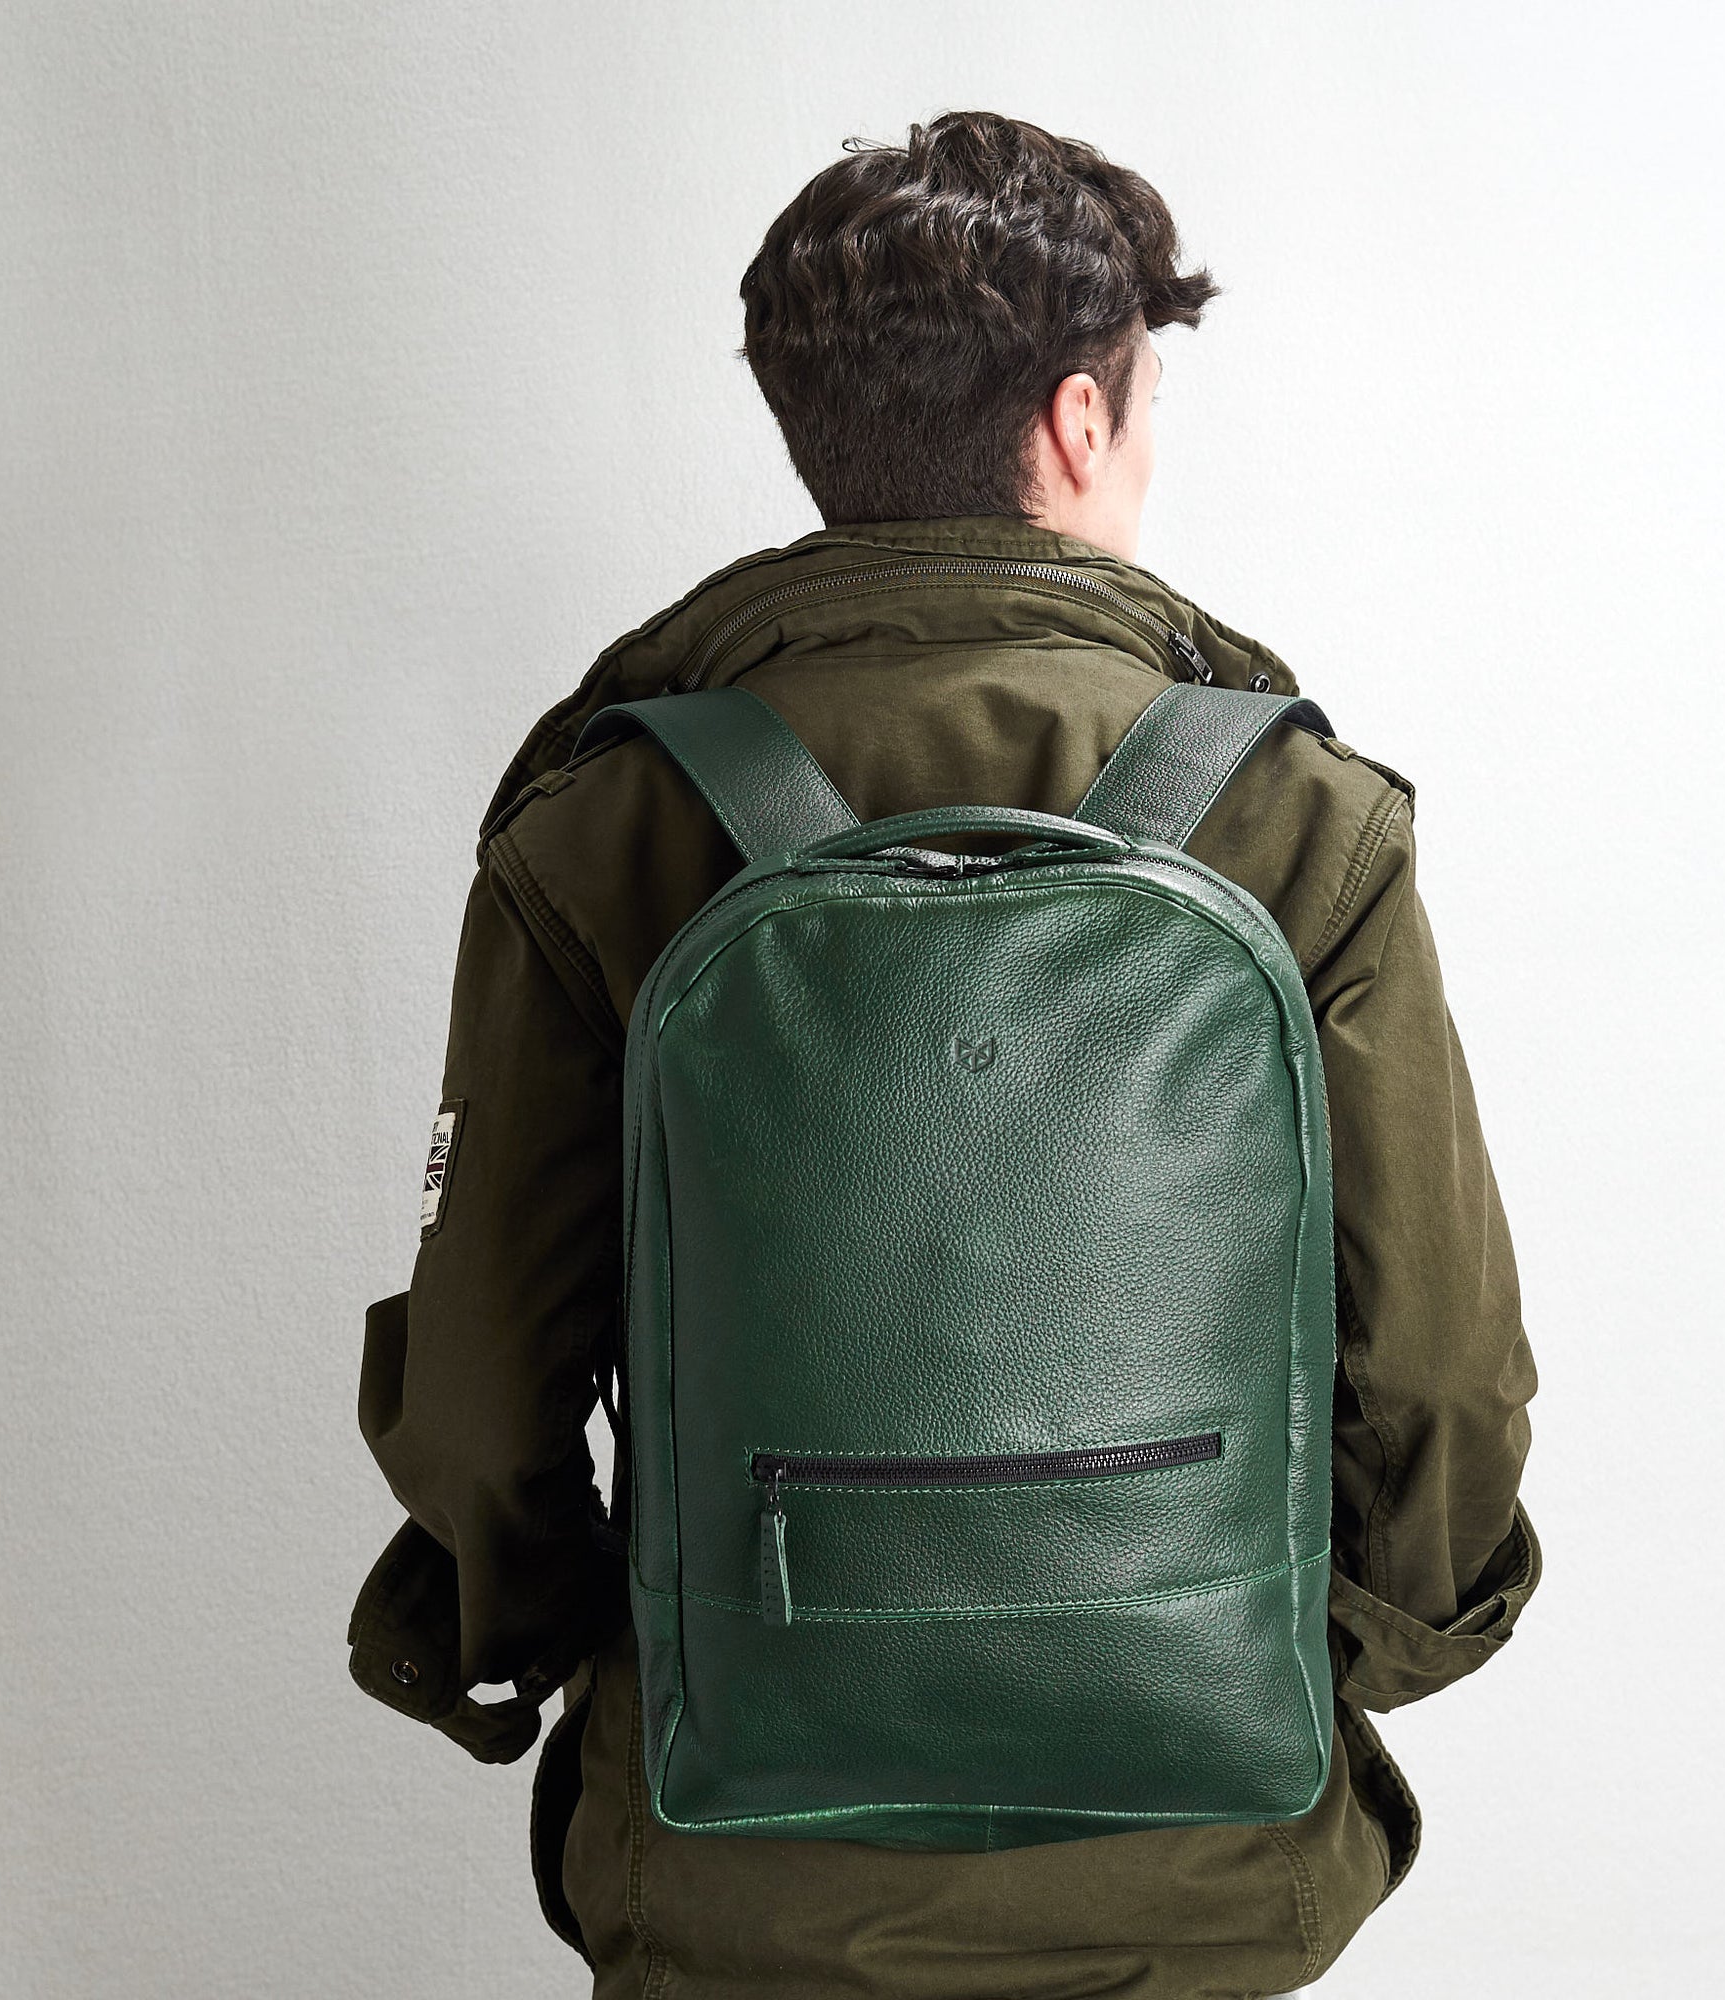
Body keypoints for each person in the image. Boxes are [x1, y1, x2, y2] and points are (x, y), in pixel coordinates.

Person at [350, 109, 1540, 1999]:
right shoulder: (1300, 821)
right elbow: (1443, 1374)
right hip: (1202, 1861)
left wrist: (574, 1645)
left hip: (733, 1865)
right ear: (1077, 421)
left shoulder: (604, 828)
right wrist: (1346, 1653)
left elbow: (484, 1390)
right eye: (1144, 410)